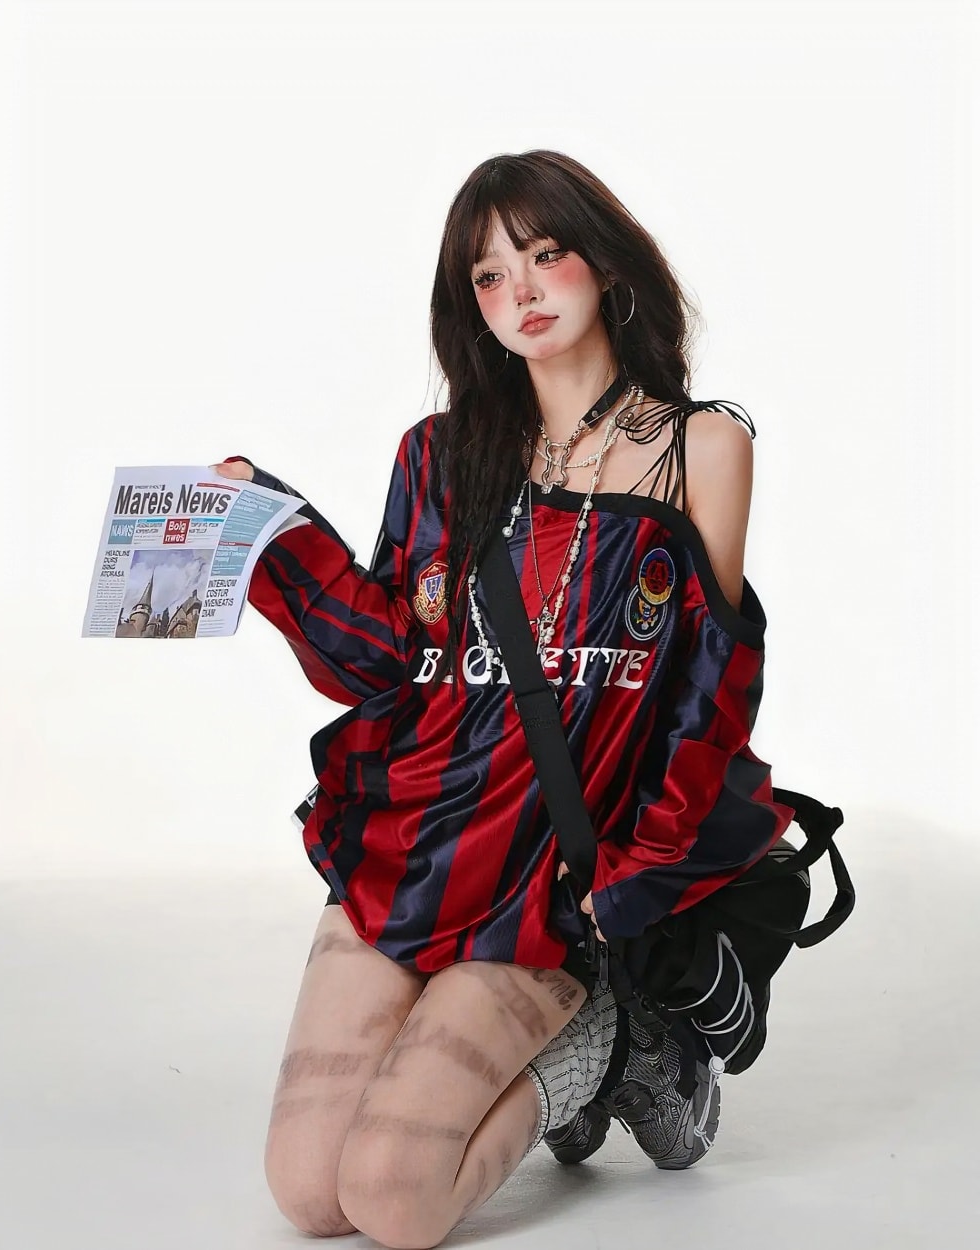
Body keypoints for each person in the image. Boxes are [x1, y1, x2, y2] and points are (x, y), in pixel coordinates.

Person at [212, 149, 795, 1249]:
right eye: (488, 275)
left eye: (544, 254)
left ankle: (609, 1048)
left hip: (550, 879)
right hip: (417, 839)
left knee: (394, 1198)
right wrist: (267, 533)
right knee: (309, 1193)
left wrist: (629, 881)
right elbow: (385, 660)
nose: (520, 290)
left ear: (604, 264)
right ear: (469, 305)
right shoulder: (438, 455)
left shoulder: (700, 448)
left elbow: (708, 694)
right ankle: (557, 1046)